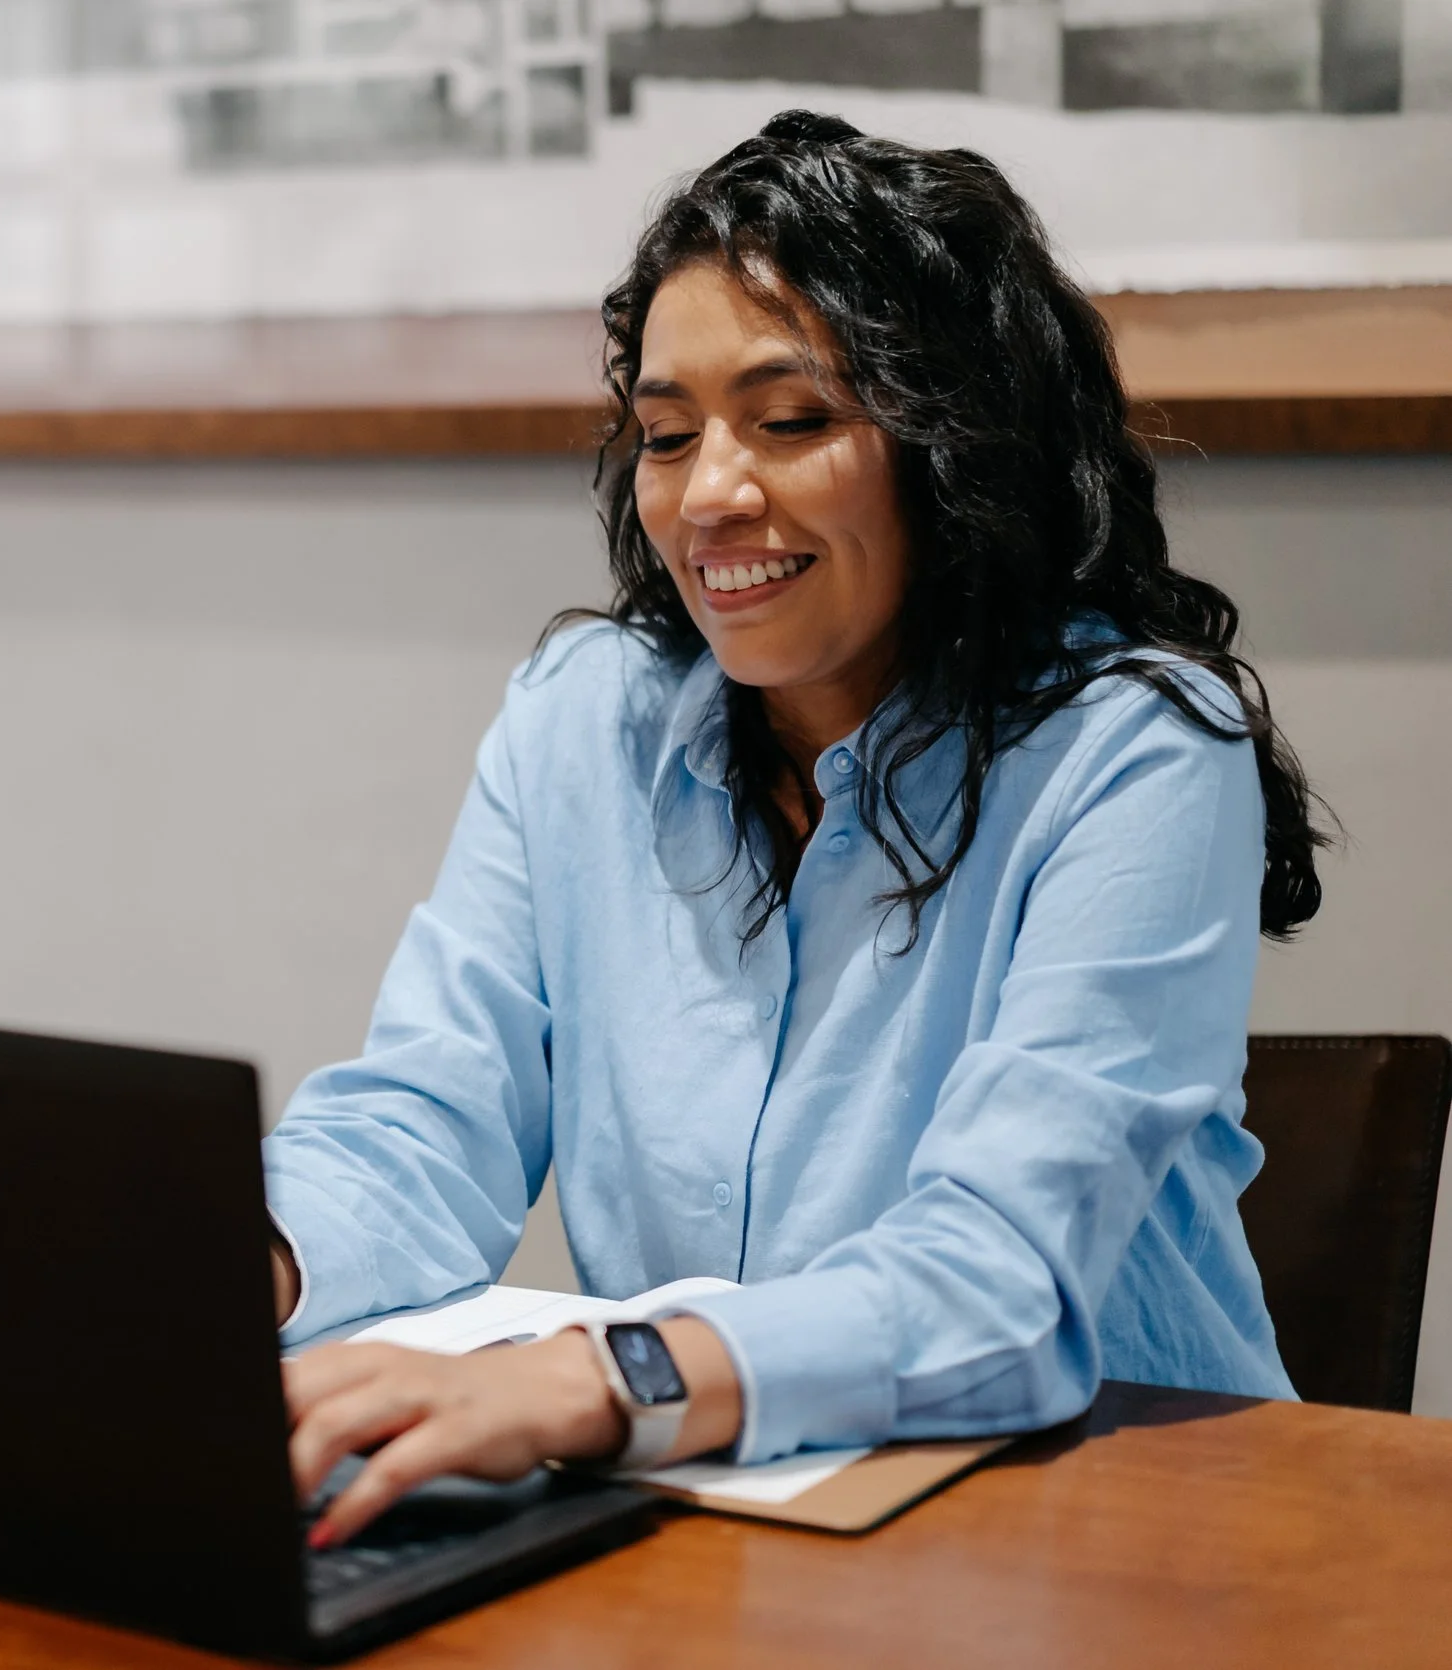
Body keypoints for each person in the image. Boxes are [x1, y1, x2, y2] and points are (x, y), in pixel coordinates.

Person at [270, 110, 1325, 1549]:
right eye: (664, 433)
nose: (710, 494)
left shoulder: (1133, 749)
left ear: (955, 444)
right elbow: (421, 1125)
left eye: (792, 421)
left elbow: (997, 1278)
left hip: (1112, 1538)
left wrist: (598, 1379)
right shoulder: (584, 717)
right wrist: (236, 1266)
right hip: (708, 1533)